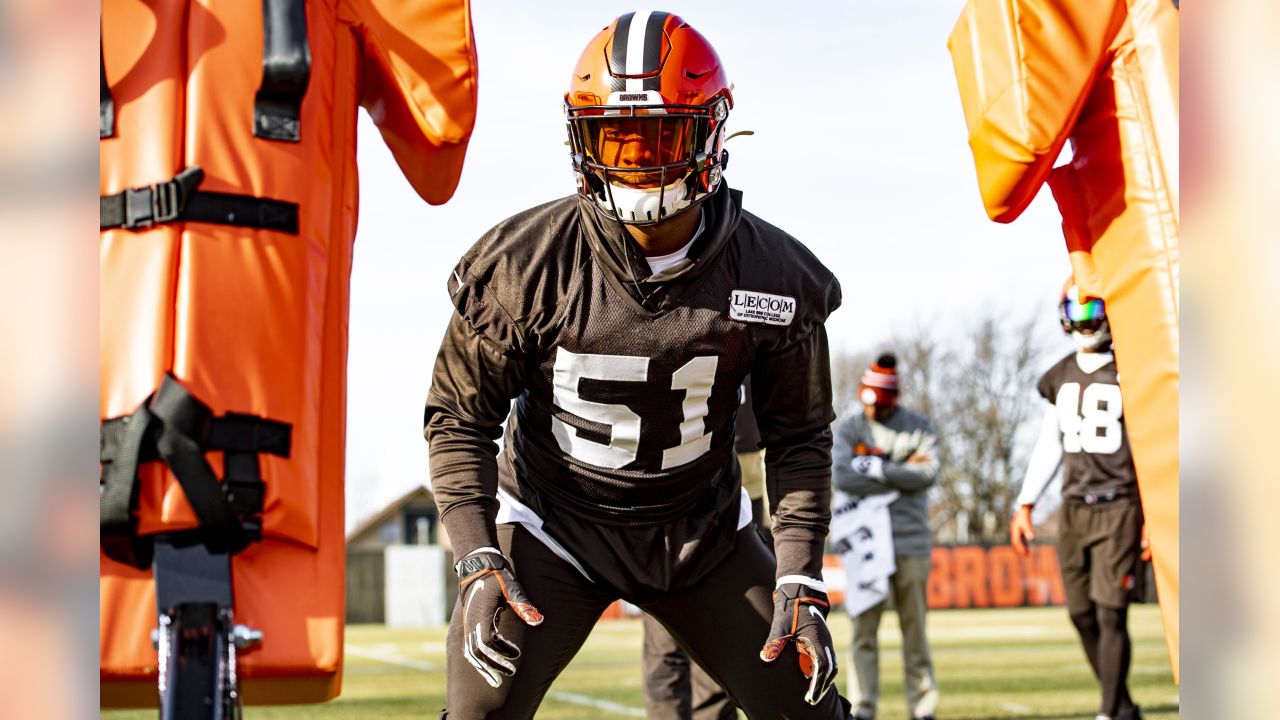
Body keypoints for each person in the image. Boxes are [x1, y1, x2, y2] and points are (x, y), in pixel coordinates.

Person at [424, 11, 851, 719]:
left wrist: (799, 574)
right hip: (552, 527)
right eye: (616, 137)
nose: (638, 160)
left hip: (699, 535)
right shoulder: (525, 264)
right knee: (479, 712)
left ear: (711, 131)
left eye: (661, 134)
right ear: (580, 138)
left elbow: (800, 436)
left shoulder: (773, 275)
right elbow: (458, 417)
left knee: (807, 710)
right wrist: (476, 556)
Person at [1011, 282, 1147, 720]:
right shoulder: (1061, 374)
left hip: (1121, 503)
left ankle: (1109, 712)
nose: (1086, 320)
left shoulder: (1134, 369)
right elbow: (1050, 443)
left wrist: (1155, 515)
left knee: (1111, 614)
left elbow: (1151, 444)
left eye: (1093, 309)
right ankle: (1123, 705)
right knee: (1081, 613)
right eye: (1078, 309)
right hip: (1073, 507)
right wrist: (1026, 502)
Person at [640, 380, 764, 720]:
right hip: (670, 510)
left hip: (732, 518)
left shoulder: (753, 344)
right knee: (668, 648)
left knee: (720, 649)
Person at [830, 354, 940, 720]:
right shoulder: (850, 428)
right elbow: (843, 477)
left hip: (909, 541)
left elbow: (927, 475)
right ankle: (863, 708)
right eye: (867, 402)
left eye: (879, 404)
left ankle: (923, 708)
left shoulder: (919, 426)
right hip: (865, 546)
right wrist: (901, 470)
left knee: (915, 632)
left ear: (892, 399)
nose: (872, 412)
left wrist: (877, 468)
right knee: (863, 632)